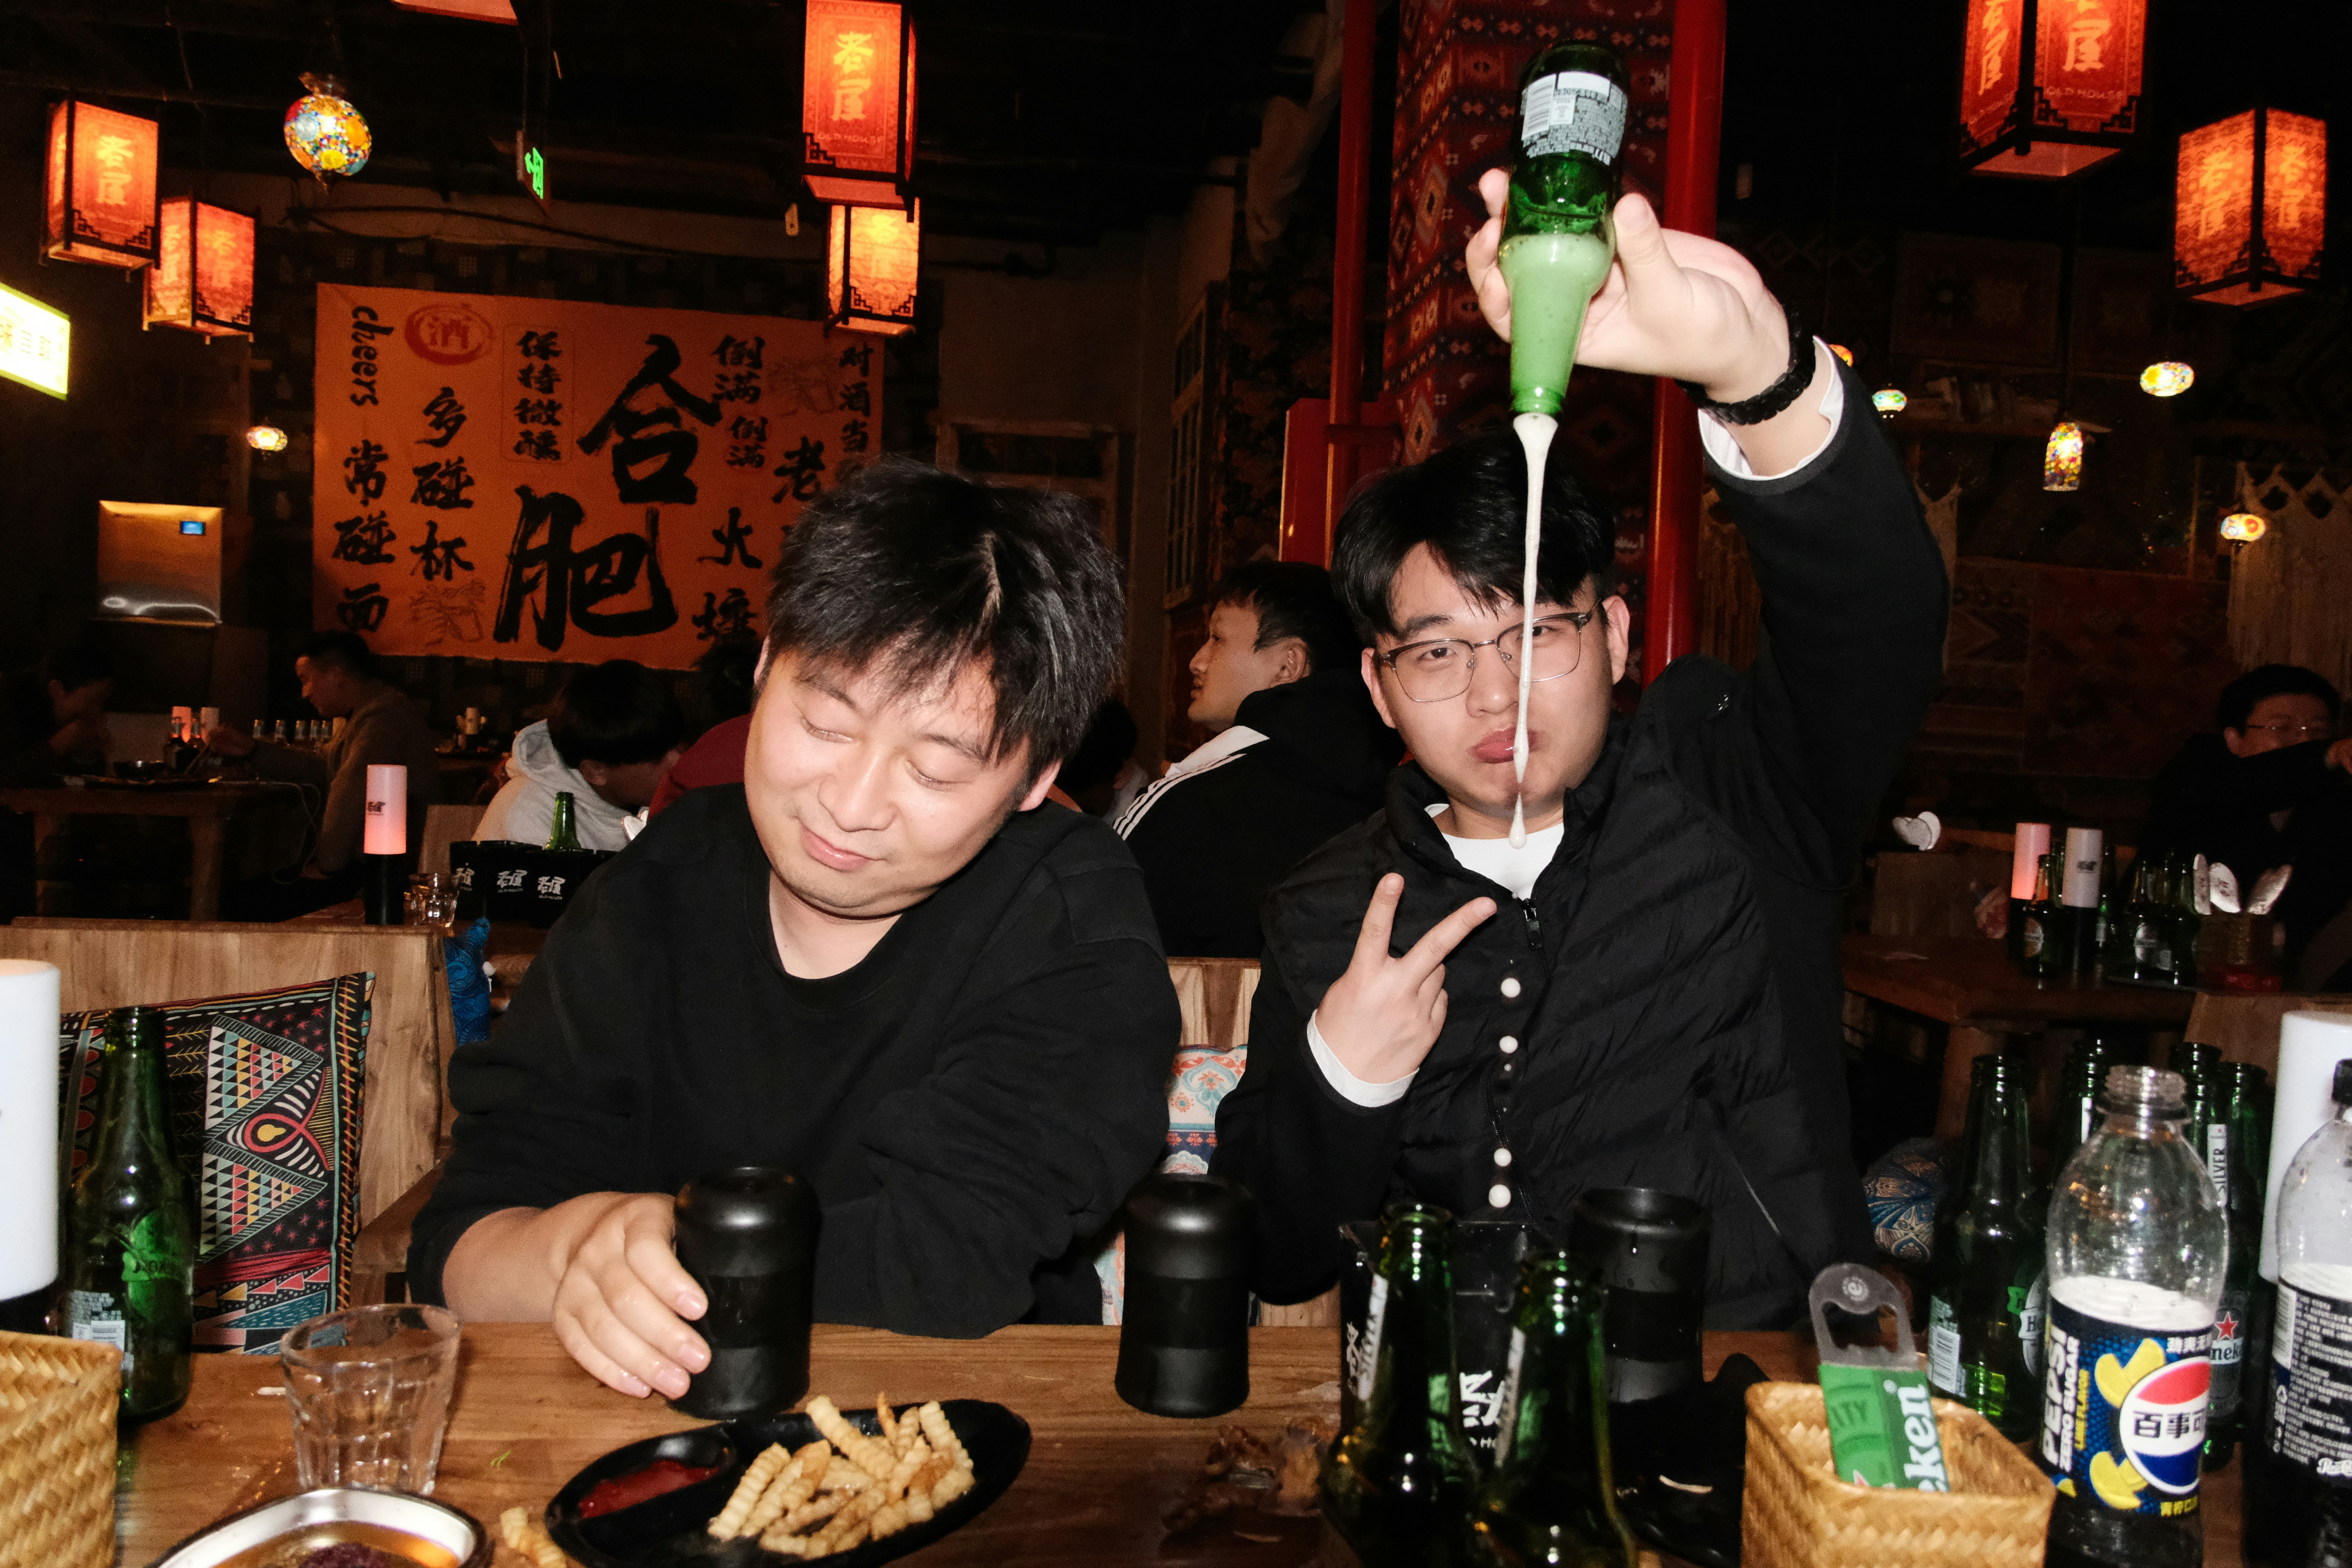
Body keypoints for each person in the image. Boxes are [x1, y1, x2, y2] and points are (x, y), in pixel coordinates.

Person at [1210, 175, 1949, 1327]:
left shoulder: (1732, 791)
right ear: (1380, 688)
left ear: (1609, 635)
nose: (1496, 691)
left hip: (1738, 1416)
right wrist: (1347, 1074)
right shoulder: (1327, 908)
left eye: (1534, 632)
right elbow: (1277, 1254)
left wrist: (1757, 370)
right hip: (1448, 1435)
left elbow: (1881, 624)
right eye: (1440, 653)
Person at [409, 459, 1178, 1395]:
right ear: (768, 666)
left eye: (934, 770)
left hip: (950, 1434)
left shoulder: (1068, 921)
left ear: (1032, 780)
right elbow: (464, 1237)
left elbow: (944, 1262)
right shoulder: (656, 885)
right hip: (636, 1446)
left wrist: (675, 1258)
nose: (850, 806)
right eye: (823, 721)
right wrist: (573, 1248)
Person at [1115, 563, 1401, 956]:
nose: (1196, 661)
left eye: (1217, 638)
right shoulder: (1399, 797)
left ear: (1288, 665)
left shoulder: (1186, 802)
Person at [206, 631, 442, 919]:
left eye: (307, 680)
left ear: (335, 675)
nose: (305, 693)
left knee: (241, 901)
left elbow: (352, 790)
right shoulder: (366, 713)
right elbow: (320, 765)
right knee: (248, 891)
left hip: (381, 874)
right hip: (365, 864)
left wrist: (328, 867)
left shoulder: (385, 715)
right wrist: (253, 750)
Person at [2144, 663, 2352, 969]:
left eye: (2319, 732)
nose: (2305, 742)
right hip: (2171, 964)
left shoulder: (2333, 810)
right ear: (2234, 739)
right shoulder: (2198, 774)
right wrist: (2328, 755)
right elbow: (2246, 786)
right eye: (2281, 729)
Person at [474, 661, 686, 851]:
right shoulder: (529, 815)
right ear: (596, 771)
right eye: (657, 757)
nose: (679, 761)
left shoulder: (669, 799)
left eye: (679, 746)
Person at [0, 645, 116, 787]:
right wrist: (56, 747)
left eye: (104, 703)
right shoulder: (8, 706)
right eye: (93, 701)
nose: (98, 712)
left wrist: (86, 755)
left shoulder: (63, 718)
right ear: (57, 690)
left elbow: (81, 788)